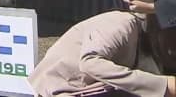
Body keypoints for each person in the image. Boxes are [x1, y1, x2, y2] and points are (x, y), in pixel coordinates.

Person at [28, 10, 176, 96]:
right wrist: (163, 85)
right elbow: (90, 63)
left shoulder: (150, 51)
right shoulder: (122, 24)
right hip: (58, 87)